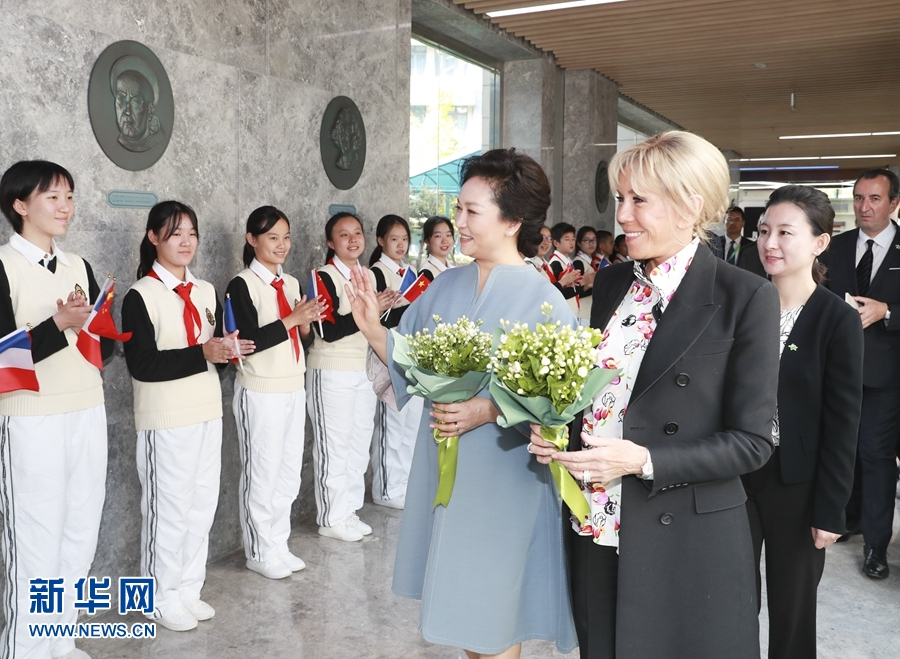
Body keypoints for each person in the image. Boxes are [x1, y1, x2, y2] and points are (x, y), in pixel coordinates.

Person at [530, 131, 780, 659]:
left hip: (685, 537)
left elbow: (752, 443)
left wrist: (644, 459)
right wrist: (559, 430)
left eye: (639, 200)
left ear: (692, 204)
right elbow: (607, 395)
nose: (622, 216)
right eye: (621, 199)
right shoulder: (614, 283)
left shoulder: (746, 296)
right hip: (596, 522)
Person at [347, 148, 577, 659]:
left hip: (505, 477)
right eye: (459, 209)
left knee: (495, 617)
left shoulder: (546, 301)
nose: (459, 222)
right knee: (467, 615)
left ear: (513, 220)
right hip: (446, 469)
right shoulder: (445, 285)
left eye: (473, 211)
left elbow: (557, 405)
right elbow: (408, 360)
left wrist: (490, 409)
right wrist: (370, 326)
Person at [121, 201, 252, 632]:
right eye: (175, 233)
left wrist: (226, 350)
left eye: (191, 233)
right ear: (153, 237)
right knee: (168, 510)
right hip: (166, 419)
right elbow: (142, 364)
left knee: (200, 506)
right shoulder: (141, 295)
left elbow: (211, 349)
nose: (185, 241)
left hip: (206, 412)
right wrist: (203, 353)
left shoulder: (207, 290)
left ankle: (187, 590)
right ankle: (158, 596)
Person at [0, 160, 112, 659]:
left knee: (79, 530)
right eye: (53, 197)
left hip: (86, 409)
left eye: (69, 195)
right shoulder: (4, 266)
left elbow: (99, 347)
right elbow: (2, 358)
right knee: (35, 537)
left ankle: (57, 638)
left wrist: (95, 327)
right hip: (31, 417)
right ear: (20, 205)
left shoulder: (79, 265)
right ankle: (24, 648)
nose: (65, 206)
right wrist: (59, 323)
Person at [745, 185, 863, 659]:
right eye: (764, 231)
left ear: (819, 242)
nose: (770, 243)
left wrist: (831, 509)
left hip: (798, 484)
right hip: (735, 474)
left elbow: (843, 420)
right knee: (732, 599)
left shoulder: (836, 318)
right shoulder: (745, 304)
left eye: (785, 232)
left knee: (793, 609)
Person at [226, 206, 323, 579]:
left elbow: (300, 337)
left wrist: (305, 324)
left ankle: (278, 543)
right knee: (262, 471)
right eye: (272, 237)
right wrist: (292, 320)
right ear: (252, 240)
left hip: (292, 386)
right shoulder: (242, 284)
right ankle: (259, 550)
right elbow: (249, 341)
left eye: (285, 237)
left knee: (287, 471)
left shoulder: (293, 283)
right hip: (261, 390)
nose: (281, 245)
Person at [821, 168, 900, 579]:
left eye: (874, 199)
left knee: (875, 455)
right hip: (838, 372)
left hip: (887, 377)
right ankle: (847, 519)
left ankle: (876, 545)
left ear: (894, 204)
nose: (864, 207)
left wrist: (888, 312)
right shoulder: (837, 247)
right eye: (858, 198)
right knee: (842, 450)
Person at [306, 212, 395, 541]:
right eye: (344, 235)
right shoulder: (322, 277)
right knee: (334, 444)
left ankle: (349, 510)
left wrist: (377, 308)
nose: (353, 239)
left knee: (358, 442)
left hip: (365, 368)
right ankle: (331, 517)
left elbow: (375, 325)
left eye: (357, 233)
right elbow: (326, 330)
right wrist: (362, 312)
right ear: (331, 242)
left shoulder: (370, 276)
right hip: (332, 370)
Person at [369, 214, 423, 509]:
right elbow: (376, 318)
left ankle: (403, 483)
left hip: (410, 351)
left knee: (410, 424)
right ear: (380, 241)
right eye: (394, 239)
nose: (400, 244)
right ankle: (387, 488)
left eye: (404, 239)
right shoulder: (376, 273)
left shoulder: (410, 271)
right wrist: (408, 306)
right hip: (387, 352)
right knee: (392, 423)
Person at [713, 206, 766, 277]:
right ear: (724, 222)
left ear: (743, 223)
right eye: (729, 219)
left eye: (737, 219)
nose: (732, 222)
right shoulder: (714, 244)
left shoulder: (752, 246)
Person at [548, 222, 584, 316]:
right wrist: (584, 283)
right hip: (562, 313)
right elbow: (558, 292)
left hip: (572, 312)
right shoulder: (556, 263)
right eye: (567, 239)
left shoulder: (568, 261)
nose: (571, 242)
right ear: (556, 243)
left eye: (573, 239)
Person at [573, 227, 599, 326]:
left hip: (589, 311)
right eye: (586, 240)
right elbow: (576, 291)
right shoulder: (578, 262)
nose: (591, 243)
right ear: (579, 243)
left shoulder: (590, 262)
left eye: (594, 240)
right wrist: (592, 285)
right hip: (582, 312)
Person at [419, 215, 455, 281]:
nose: (444, 241)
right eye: (438, 236)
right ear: (427, 241)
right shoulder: (426, 274)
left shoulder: (454, 270)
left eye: (448, 235)